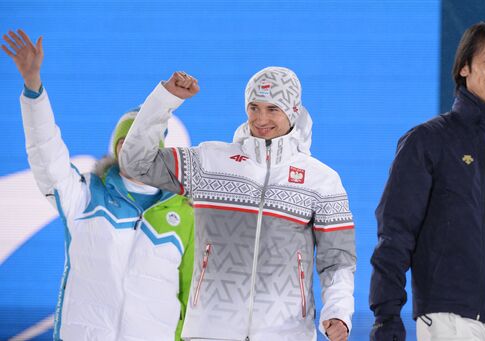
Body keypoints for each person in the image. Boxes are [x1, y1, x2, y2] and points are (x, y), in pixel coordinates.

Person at [119, 66, 356, 341]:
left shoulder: (322, 181)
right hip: (209, 331)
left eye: (272, 109)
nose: (261, 118)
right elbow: (136, 162)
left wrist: (338, 312)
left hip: (286, 334)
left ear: (292, 111)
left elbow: (338, 261)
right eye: (254, 108)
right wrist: (165, 100)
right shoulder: (209, 162)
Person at [2, 29, 195, 341]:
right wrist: (33, 88)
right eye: (126, 142)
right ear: (115, 148)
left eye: (144, 143)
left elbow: (192, 305)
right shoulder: (86, 196)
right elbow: (46, 154)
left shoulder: (184, 216)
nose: (134, 150)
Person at [369, 19, 485, 341]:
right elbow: (395, 234)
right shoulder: (428, 141)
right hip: (447, 316)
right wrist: (386, 316)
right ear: (464, 67)